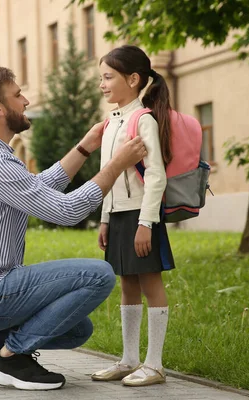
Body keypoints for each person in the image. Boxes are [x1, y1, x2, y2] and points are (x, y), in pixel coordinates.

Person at [0, 66, 147, 391]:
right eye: (17, 95)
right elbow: (67, 211)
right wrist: (116, 165)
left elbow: (37, 187)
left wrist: (84, 147)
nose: (26, 100)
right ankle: (7, 357)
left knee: (77, 330)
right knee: (99, 275)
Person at [90, 45, 175, 387]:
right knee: (126, 284)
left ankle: (154, 365)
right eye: (101, 78)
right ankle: (128, 359)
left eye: (108, 77)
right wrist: (106, 219)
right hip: (120, 216)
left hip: (142, 216)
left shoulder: (144, 120)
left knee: (150, 283)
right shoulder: (110, 123)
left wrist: (146, 222)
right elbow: (108, 174)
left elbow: (156, 175)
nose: (103, 85)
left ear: (133, 79)